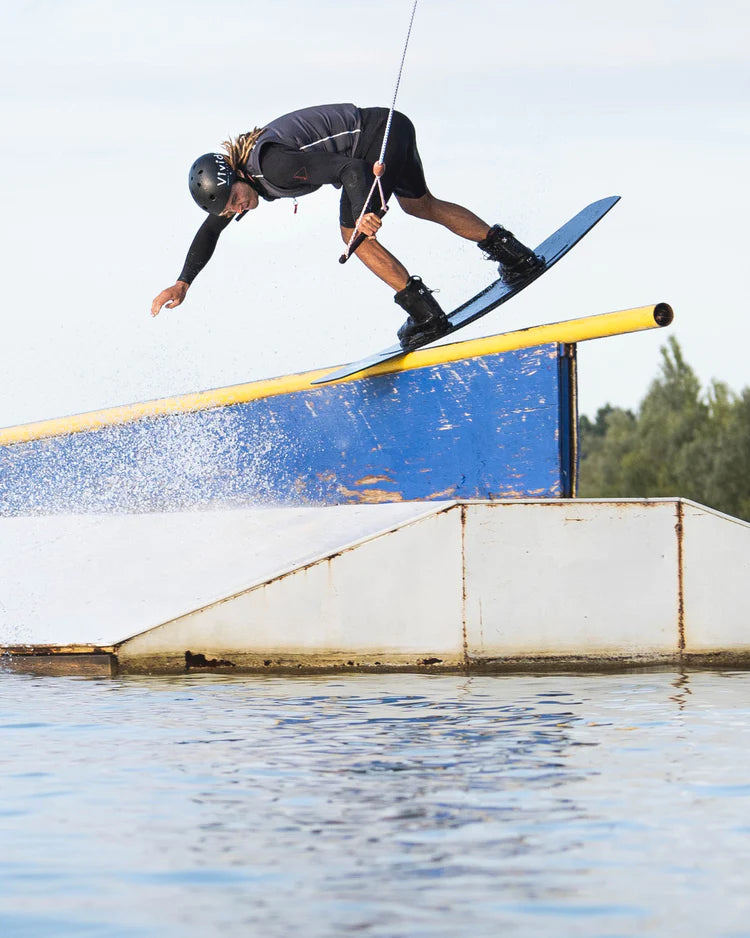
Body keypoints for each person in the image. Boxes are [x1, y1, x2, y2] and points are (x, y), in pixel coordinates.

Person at [151, 103, 543, 350]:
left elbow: (351, 169)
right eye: (231, 208)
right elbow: (210, 231)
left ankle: (425, 314)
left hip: (374, 142)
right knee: (420, 205)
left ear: (236, 175)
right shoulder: (244, 183)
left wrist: (362, 215)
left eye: (235, 199)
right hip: (391, 127)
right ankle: (513, 254)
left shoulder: (273, 166)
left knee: (351, 236)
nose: (239, 208)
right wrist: (183, 282)